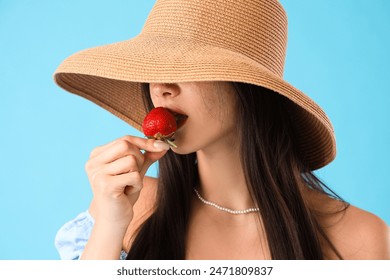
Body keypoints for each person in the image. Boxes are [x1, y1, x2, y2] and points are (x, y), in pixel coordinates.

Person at [53, 0, 389, 260]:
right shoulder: (130, 208)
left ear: (250, 88)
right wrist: (110, 226)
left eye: (189, 65)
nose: (162, 87)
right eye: (152, 66)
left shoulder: (358, 239)